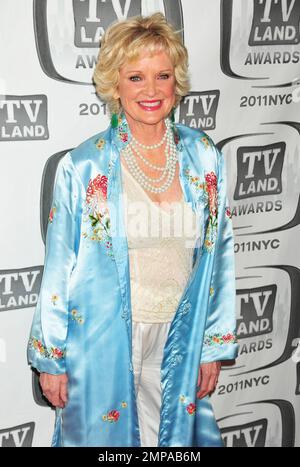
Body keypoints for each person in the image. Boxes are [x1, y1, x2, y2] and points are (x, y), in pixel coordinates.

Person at [27, 13, 238, 447]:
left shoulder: (203, 155)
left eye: (163, 75)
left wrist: (213, 344)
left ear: (177, 81)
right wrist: (51, 359)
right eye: (136, 77)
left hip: (180, 333)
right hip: (103, 339)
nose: (152, 90)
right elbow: (58, 267)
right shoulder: (84, 166)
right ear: (114, 84)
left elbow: (219, 255)